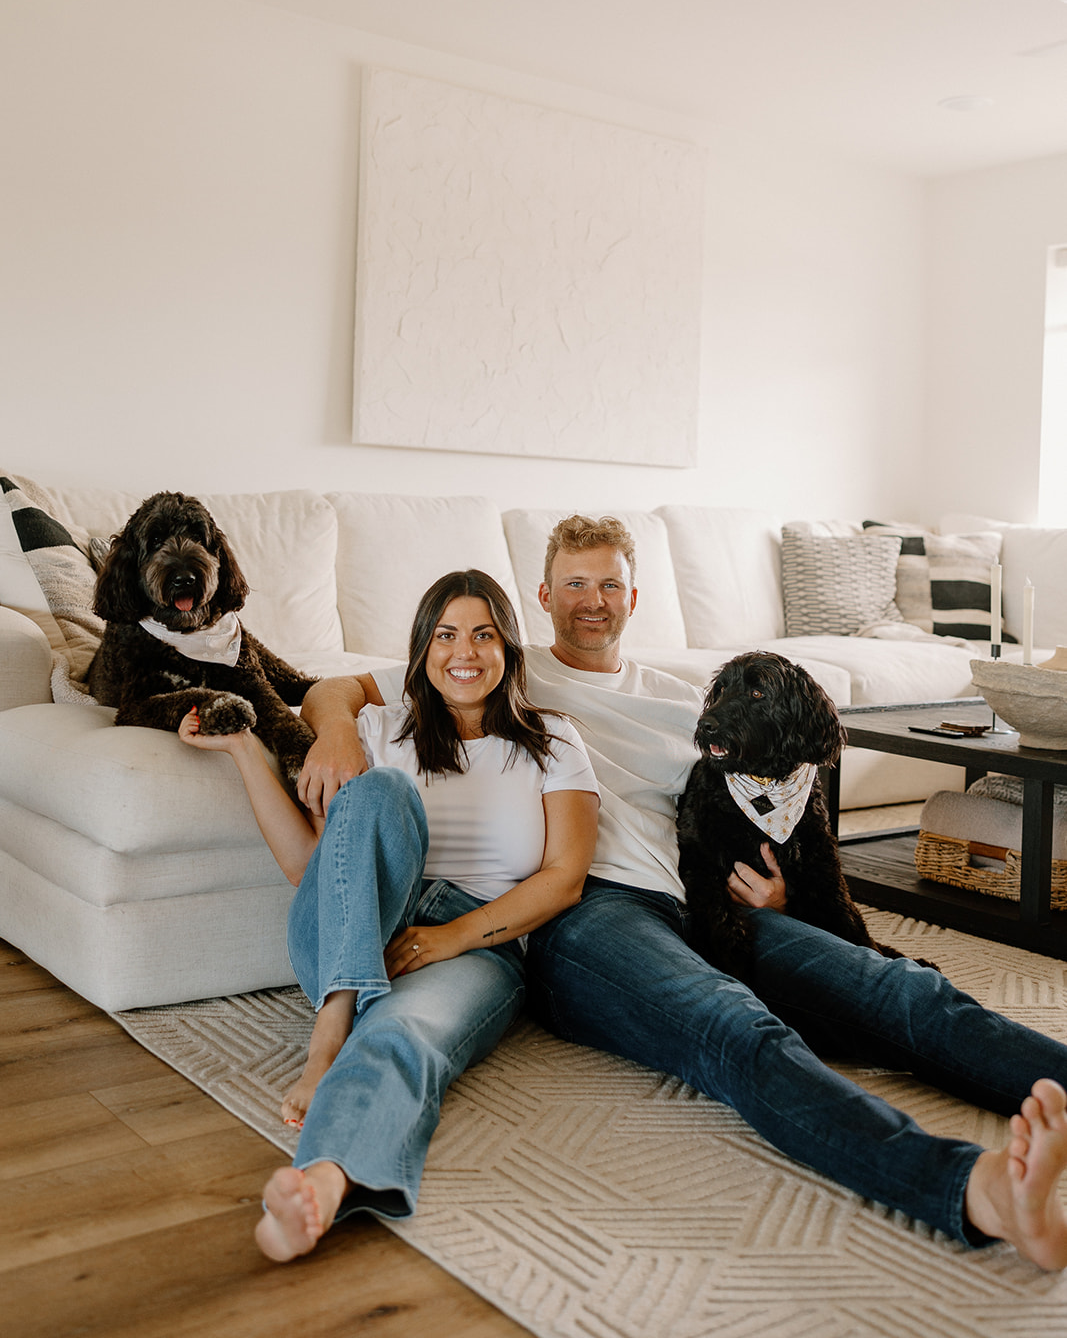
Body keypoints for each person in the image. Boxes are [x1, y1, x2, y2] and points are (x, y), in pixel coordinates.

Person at [299, 517, 1067, 1272]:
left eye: (609, 584)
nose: (591, 600)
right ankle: (973, 1188)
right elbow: (340, 688)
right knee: (738, 1030)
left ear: (635, 599)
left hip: (702, 903)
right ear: (542, 595)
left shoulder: (686, 704)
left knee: (897, 990)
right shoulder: (500, 662)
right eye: (574, 583)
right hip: (588, 917)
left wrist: (784, 895)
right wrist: (333, 734)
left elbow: (767, 806)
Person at [179, 568, 599, 1261]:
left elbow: (562, 881)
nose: (463, 652)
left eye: (483, 634)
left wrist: (446, 939)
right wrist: (245, 750)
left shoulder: (552, 741)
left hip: (472, 943)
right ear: (419, 652)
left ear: (508, 650)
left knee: (406, 1032)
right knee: (380, 793)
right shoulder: (375, 729)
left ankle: (321, 1184)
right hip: (359, 923)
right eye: (444, 635)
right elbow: (309, 868)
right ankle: (331, 1028)